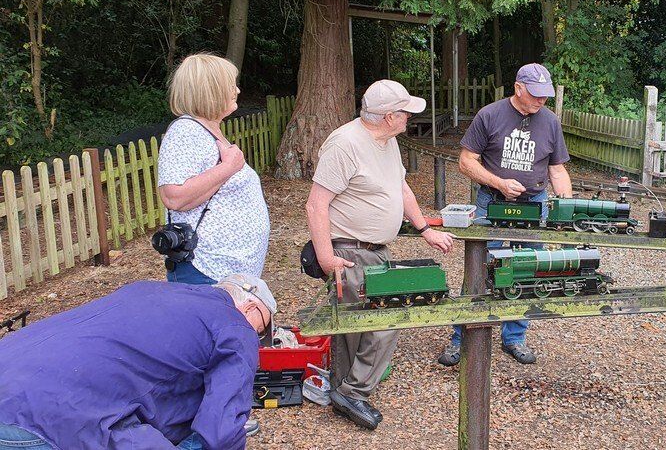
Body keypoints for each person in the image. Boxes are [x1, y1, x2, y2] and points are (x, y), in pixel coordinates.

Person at [305, 79, 455, 430]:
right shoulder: (344, 144)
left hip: (375, 251)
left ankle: (342, 389)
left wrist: (425, 229)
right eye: (405, 112)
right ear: (389, 116)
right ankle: (353, 392)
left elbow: (400, 187)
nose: (410, 117)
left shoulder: (388, 142)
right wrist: (326, 259)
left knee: (356, 326)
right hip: (350, 250)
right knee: (385, 318)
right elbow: (316, 205)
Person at [0, 274, 276, 450]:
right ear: (250, 307)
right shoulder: (236, 326)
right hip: (47, 415)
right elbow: (221, 432)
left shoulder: (147, 289)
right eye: (261, 327)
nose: (258, 336)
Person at [438, 63, 572, 367]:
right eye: (535, 94)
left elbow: (557, 170)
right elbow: (466, 161)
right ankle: (461, 337)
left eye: (545, 95)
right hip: (492, 202)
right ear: (518, 88)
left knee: (527, 270)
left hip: (535, 203)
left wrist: (566, 210)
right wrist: (498, 182)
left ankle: (514, 336)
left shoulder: (550, 122)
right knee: (480, 269)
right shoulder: (490, 115)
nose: (541, 100)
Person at [157, 53, 270, 285]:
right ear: (211, 91)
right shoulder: (185, 131)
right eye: (231, 85)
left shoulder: (205, 131)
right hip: (205, 271)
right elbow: (173, 196)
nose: (237, 90)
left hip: (226, 271)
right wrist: (229, 167)